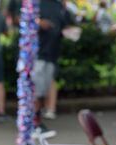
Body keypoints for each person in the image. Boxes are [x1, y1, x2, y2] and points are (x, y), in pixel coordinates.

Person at [34, 0, 72, 128]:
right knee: (36, 89)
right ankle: (35, 121)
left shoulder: (60, 6)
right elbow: (24, 21)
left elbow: (67, 26)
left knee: (45, 86)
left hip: (52, 54)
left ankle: (40, 117)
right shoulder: (36, 4)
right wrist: (39, 23)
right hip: (37, 53)